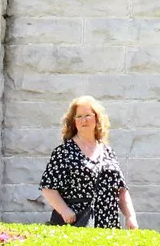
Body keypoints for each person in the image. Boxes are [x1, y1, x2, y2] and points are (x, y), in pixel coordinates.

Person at [39, 95, 138, 229]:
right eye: (78, 117)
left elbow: (121, 191)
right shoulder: (64, 152)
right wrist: (64, 210)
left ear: (97, 119)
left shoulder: (108, 152)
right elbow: (48, 188)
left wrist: (130, 217)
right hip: (77, 223)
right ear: (73, 122)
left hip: (108, 223)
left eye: (87, 115)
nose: (83, 120)